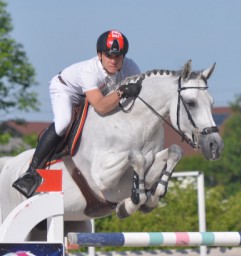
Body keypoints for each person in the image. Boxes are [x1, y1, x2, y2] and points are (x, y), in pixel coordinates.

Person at [12, 29, 143, 198]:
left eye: (118, 56)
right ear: (99, 54)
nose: (113, 60)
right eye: (109, 55)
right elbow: (101, 107)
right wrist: (121, 93)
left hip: (93, 95)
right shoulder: (90, 71)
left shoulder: (130, 67)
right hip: (66, 90)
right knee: (63, 122)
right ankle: (31, 173)